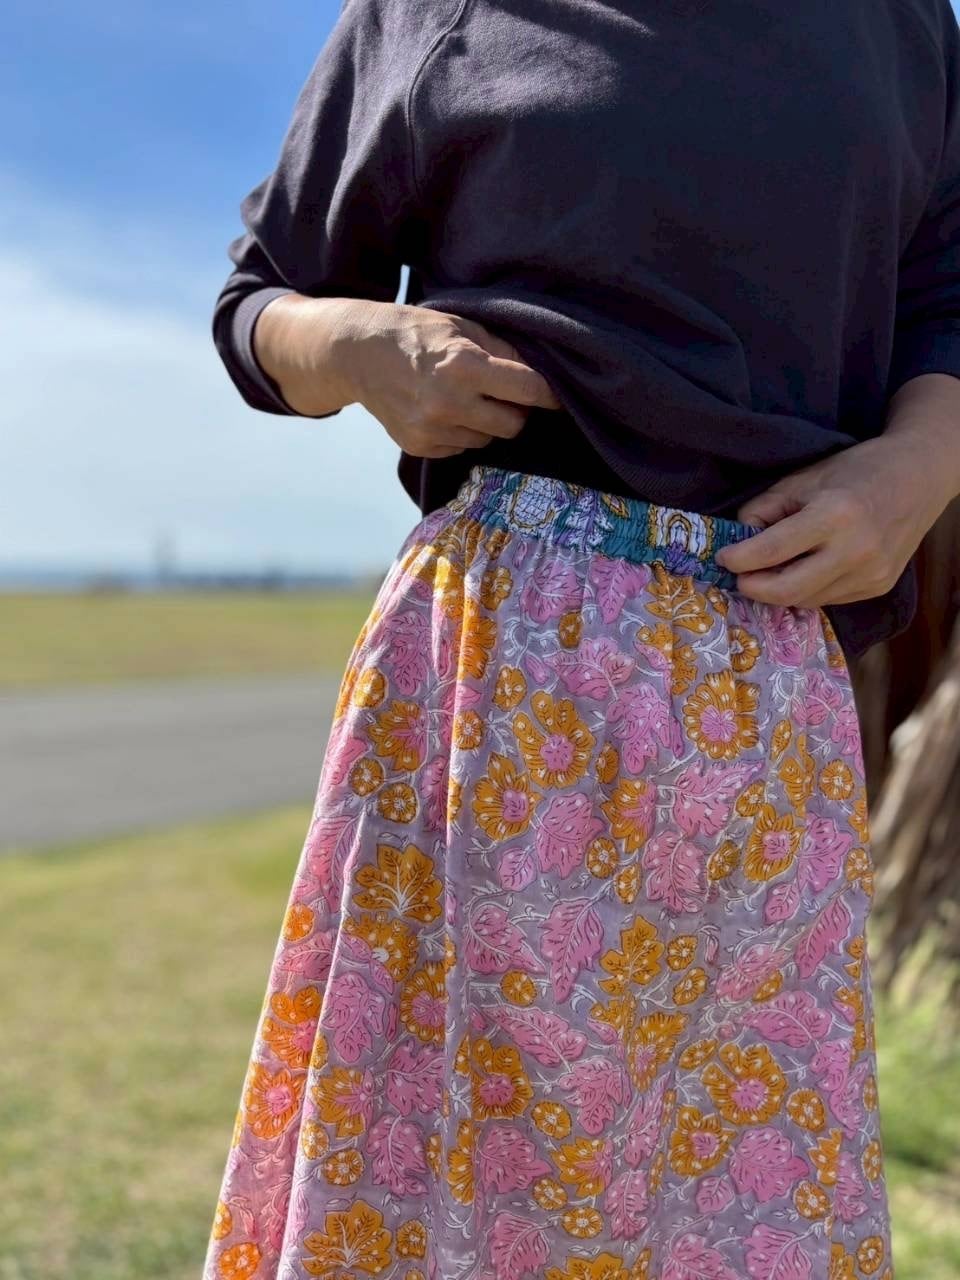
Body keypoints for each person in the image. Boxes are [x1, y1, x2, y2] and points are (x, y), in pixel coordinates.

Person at [202, 2, 960, 1277]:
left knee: (731, 1213)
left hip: (770, 688)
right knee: (442, 1200)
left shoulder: (903, 23)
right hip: (495, 668)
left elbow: (944, 297)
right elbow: (259, 300)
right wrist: (365, 346)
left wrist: (921, 467)